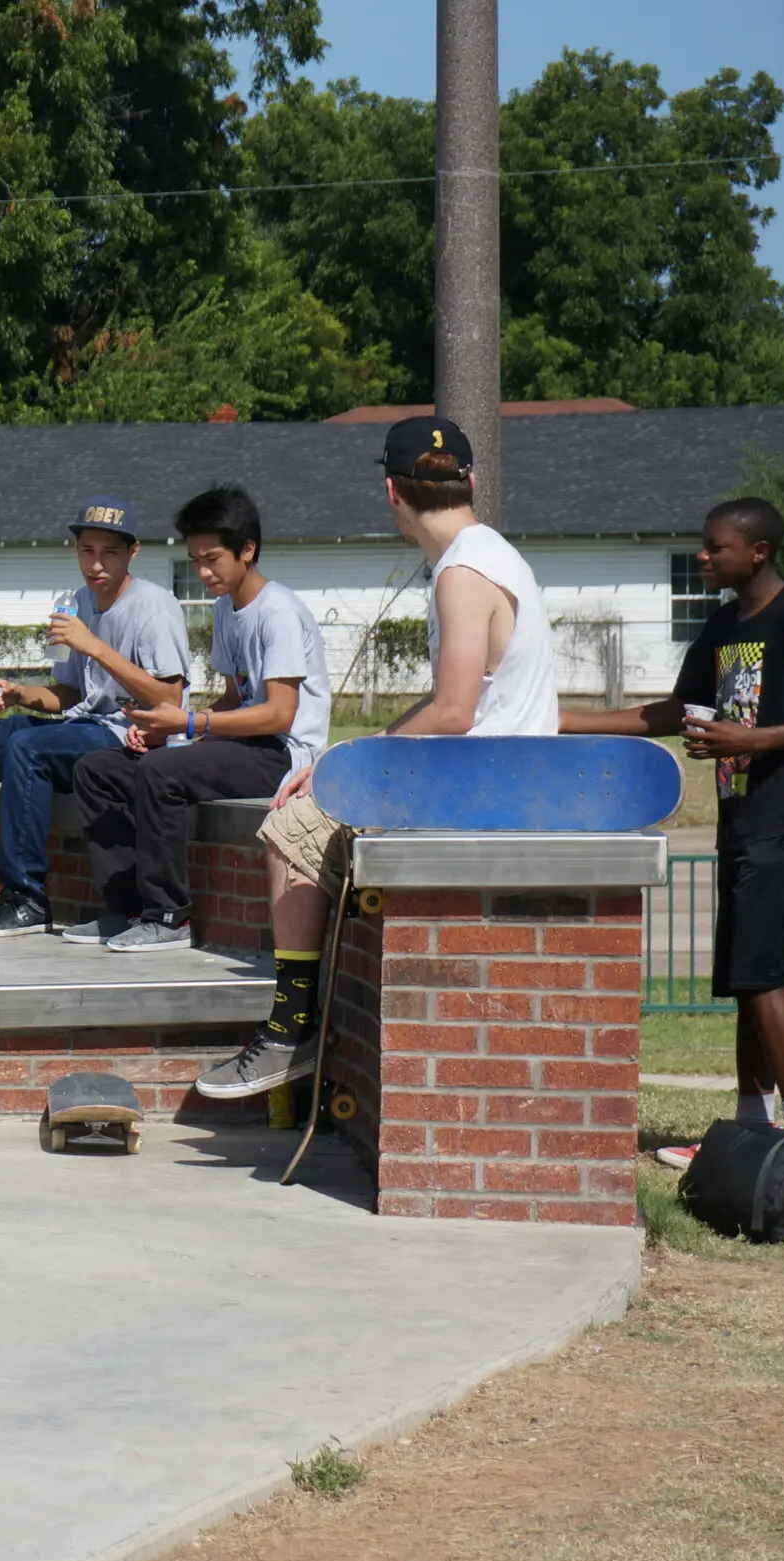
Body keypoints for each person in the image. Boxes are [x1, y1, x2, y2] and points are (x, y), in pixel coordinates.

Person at [199, 415, 557, 1096]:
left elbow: (452, 712)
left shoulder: (463, 573)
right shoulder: (493, 554)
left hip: (479, 790)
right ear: (471, 481)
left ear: (391, 491)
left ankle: (290, 1028)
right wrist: (353, 753)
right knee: (314, 808)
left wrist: (347, 765)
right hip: (500, 776)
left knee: (290, 829)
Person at [563, 498, 784, 1135]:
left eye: (715, 547)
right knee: (750, 980)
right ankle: (752, 1127)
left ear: (758, 552)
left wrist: (750, 740)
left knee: (762, 975)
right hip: (741, 824)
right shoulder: (723, 627)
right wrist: (557, 720)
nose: (702, 556)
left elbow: (748, 732)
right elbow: (672, 714)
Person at [0, 497, 192, 935]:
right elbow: (70, 693)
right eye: (87, 550)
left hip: (129, 737)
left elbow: (171, 699)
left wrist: (93, 646)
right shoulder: (76, 601)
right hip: (80, 726)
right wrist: (19, 694)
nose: (97, 564)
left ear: (133, 552)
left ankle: (25, 896)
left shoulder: (154, 605)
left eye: (110, 552)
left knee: (27, 748)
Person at [70, 486, 330, 955]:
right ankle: (126, 910)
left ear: (247, 549)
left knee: (160, 772)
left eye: (212, 559)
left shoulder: (279, 613)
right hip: (244, 744)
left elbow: (278, 712)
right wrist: (166, 727)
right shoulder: (226, 609)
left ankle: (169, 916)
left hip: (284, 754)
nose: (203, 572)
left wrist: (191, 725)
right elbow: (235, 697)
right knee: (98, 769)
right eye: (195, 560)